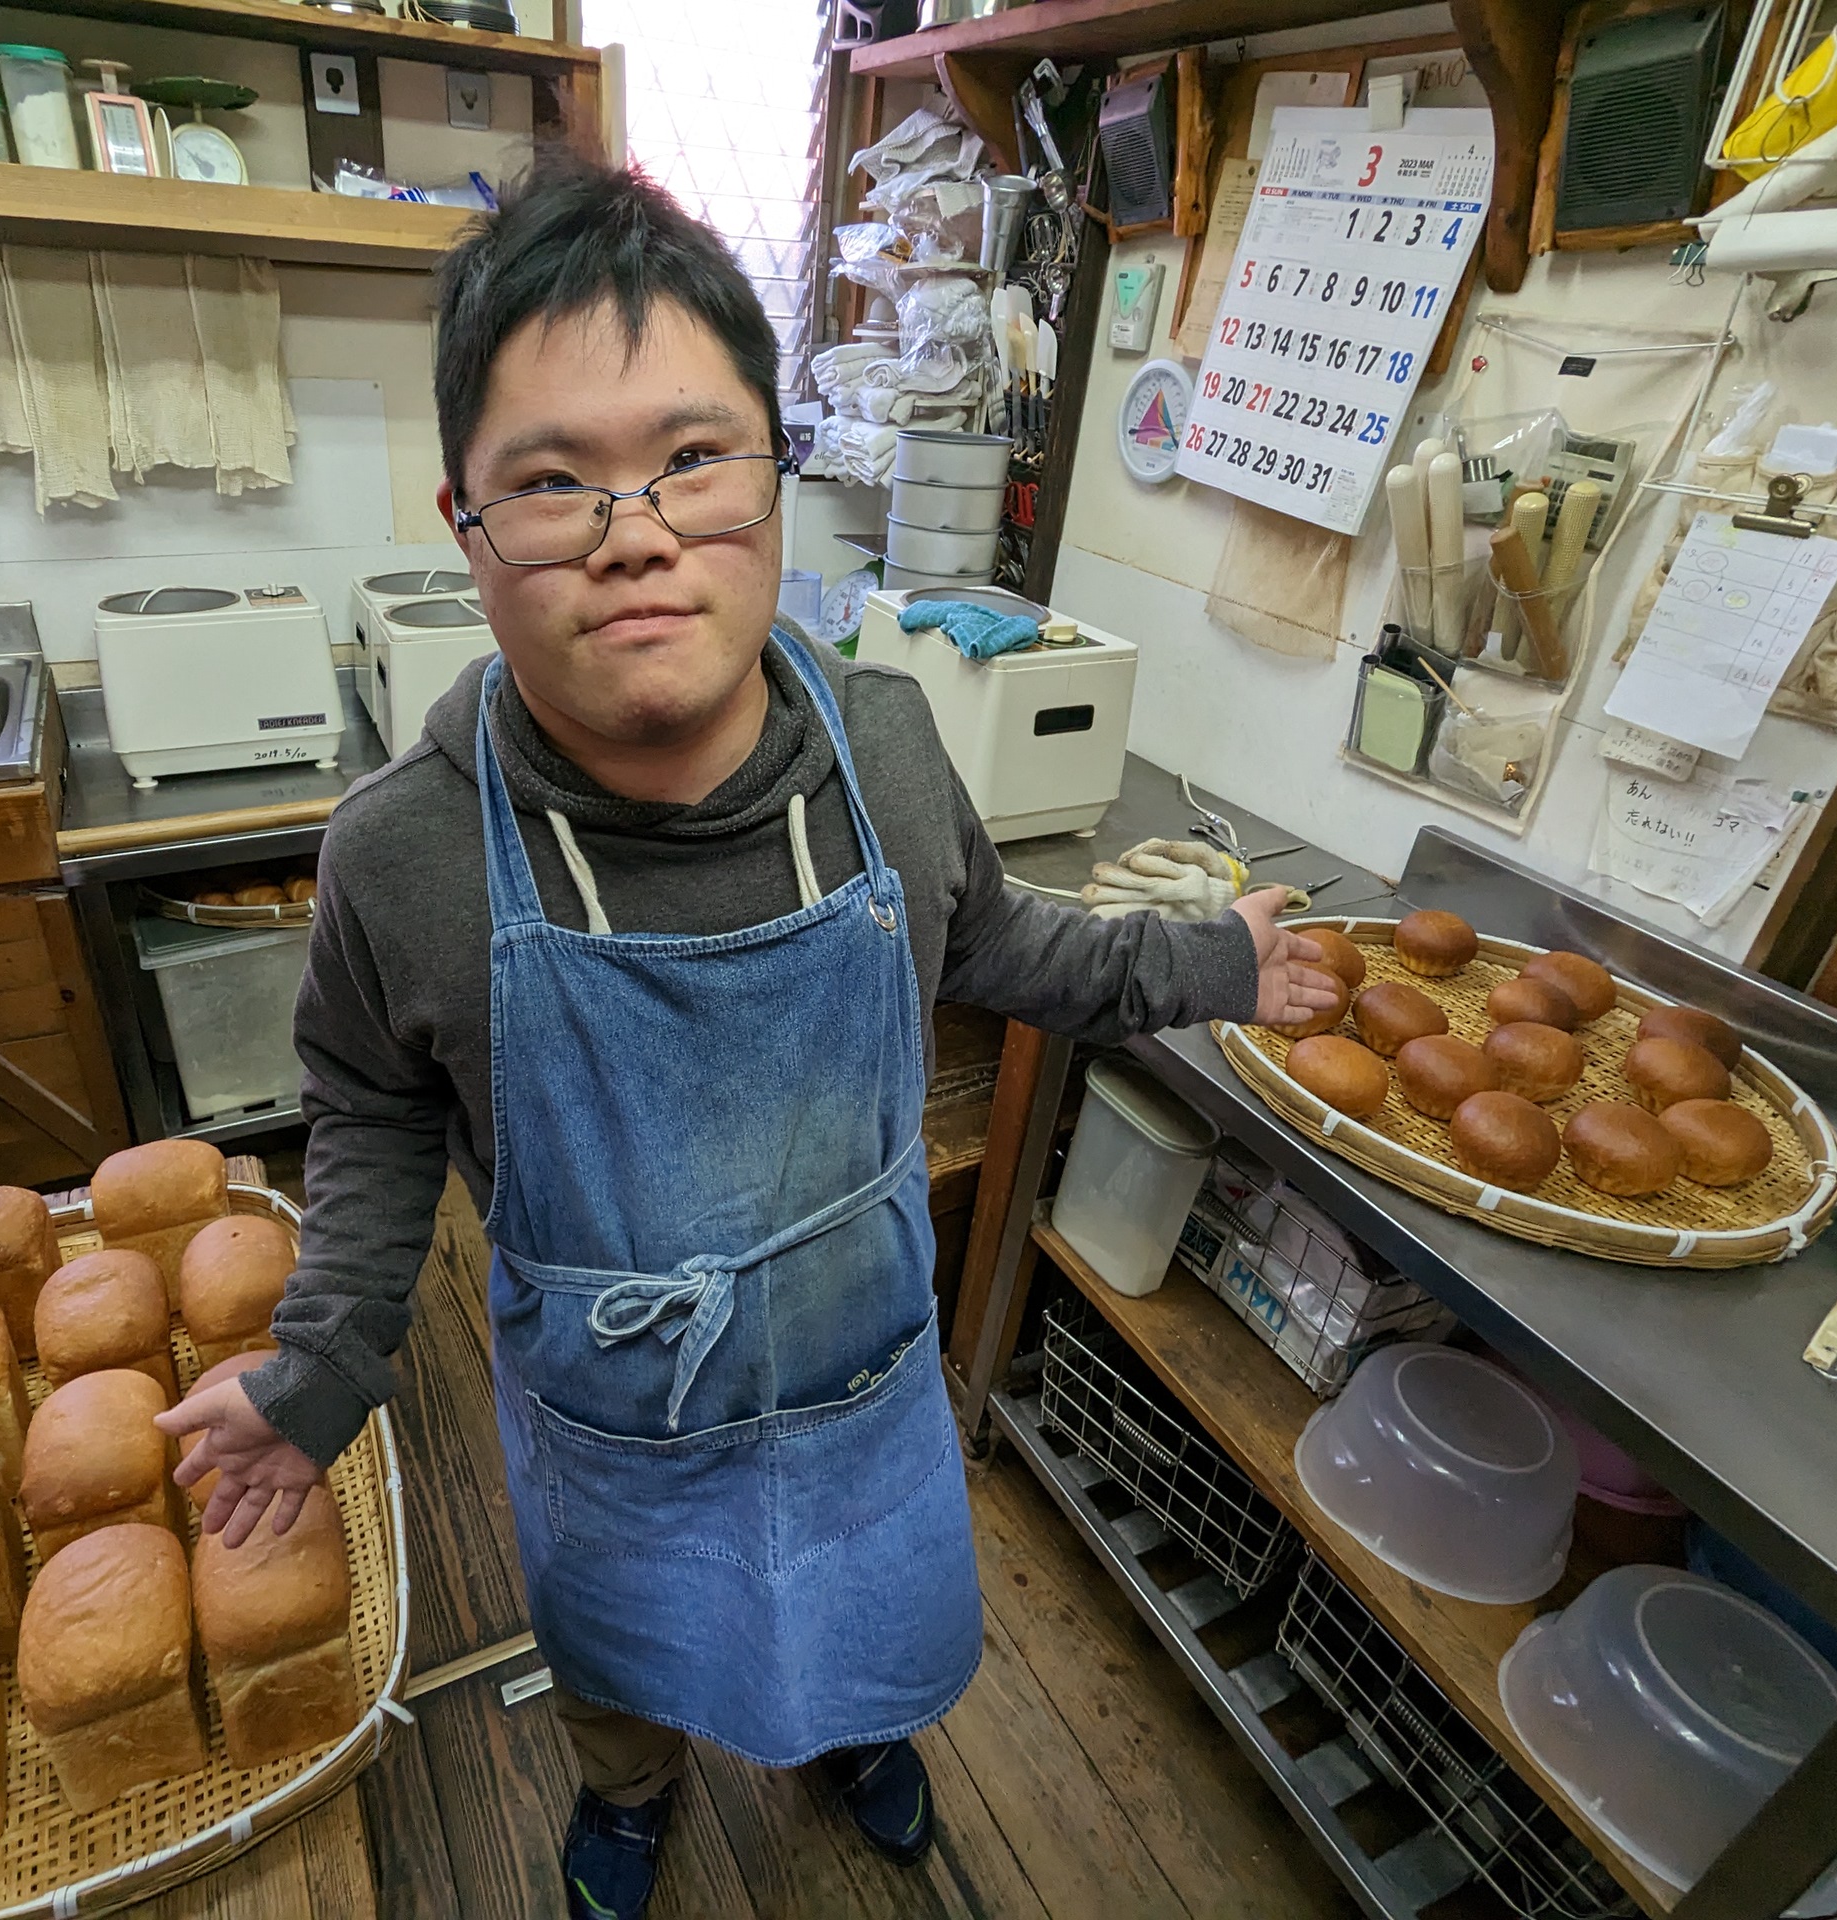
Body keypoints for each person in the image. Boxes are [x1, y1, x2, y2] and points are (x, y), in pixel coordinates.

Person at [158, 151, 1338, 1920]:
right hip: (614, 1424)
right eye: (550, 482)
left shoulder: (890, 751)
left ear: (780, 475)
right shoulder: (405, 855)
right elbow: (376, 1114)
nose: (634, 533)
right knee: (622, 1655)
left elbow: (998, 947)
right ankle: (629, 1791)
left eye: (694, 459)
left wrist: (1204, 964)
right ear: (465, 526)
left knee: (856, 1627)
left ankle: (852, 1730)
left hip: (864, 1386)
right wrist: (320, 1369)